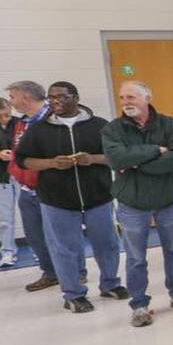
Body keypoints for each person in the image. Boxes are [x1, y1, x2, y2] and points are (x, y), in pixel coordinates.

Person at [103, 81, 173, 326]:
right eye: (122, 98)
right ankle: (139, 304)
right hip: (132, 202)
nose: (126, 102)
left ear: (147, 98)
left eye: (131, 97)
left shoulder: (170, 125)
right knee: (135, 256)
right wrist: (155, 150)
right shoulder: (113, 130)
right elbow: (116, 158)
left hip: (167, 199)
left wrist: (137, 162)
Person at [15, 82, 124, 312]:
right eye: (51, 98)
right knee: (65, 248)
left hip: (98, 196)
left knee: (107, 244)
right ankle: (73, 294)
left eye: (61, 97)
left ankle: (110, 284)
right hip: (57, 200)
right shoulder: (39, 129)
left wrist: (92, 159)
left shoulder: (99, 125)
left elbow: (116, 156)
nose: (55, 102)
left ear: (75, 97)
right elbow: (23, 160)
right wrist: (51, 164)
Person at [6, 80, 60, 291]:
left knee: (60, 236)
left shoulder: (52, 119)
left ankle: (76, 272)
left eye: (12, 97)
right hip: (27, 190)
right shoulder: (22, 122)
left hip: (50, 188)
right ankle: (51, 272)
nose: (10, 102)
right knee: (35, 236)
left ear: (25, 97)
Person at [0, 98, 16, 267]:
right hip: (2, 177)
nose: (5, 119)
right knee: (4, 218)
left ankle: (40, 251)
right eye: (1, 116)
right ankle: (8, 252)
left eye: (7, 115)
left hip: (22, 173)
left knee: (33, 215)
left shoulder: (19, 123)